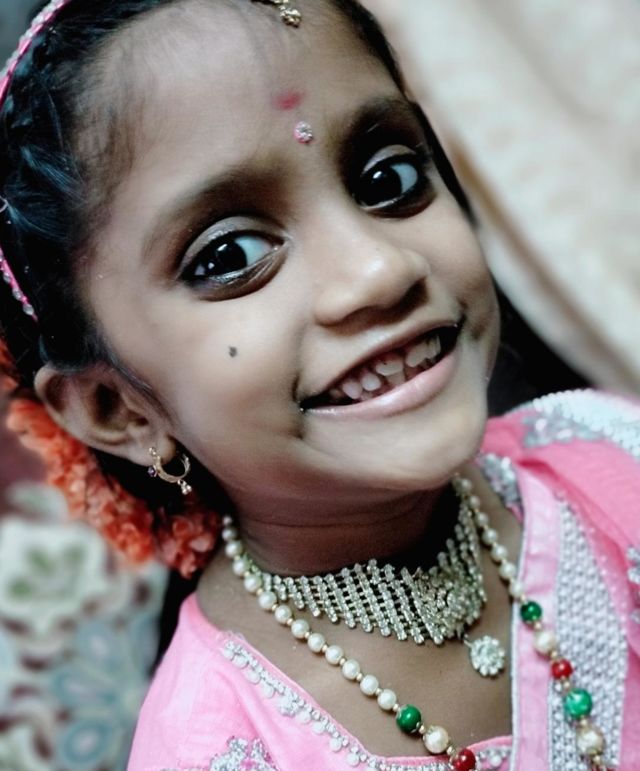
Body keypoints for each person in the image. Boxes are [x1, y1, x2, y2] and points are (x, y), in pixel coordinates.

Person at [0, 1, 637, 770]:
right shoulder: (220, 748)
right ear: (119, 408)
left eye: (390, 178)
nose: (380, 270)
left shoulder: (609, 458)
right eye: (230, 256)